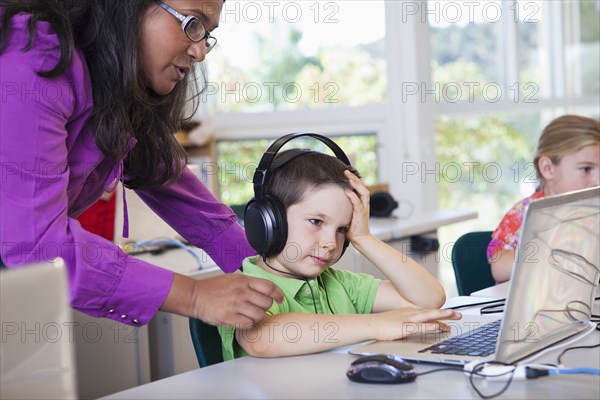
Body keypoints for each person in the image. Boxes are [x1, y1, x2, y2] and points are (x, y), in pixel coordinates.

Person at [0, 0, 284, 328]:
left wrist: (270, 269)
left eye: (206, 35)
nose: (200, 52)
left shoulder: (117, 80)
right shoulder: (36, 53)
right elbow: (38, 248)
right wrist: (195, 295)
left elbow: (170, 183)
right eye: (192, 23)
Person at [218, 147, 462, 359]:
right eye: (316, 221)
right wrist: (376, 325)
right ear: (269, 221)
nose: (330, 243)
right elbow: (262, 337)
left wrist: (364, 238)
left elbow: (428, 298)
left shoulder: (337, 284)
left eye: (342, 229)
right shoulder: (242, 289)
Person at [487, 115, 600, 283]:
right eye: (586, 169)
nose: (597, 180)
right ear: (547, 169)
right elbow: (499, 268)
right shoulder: (526, 212)